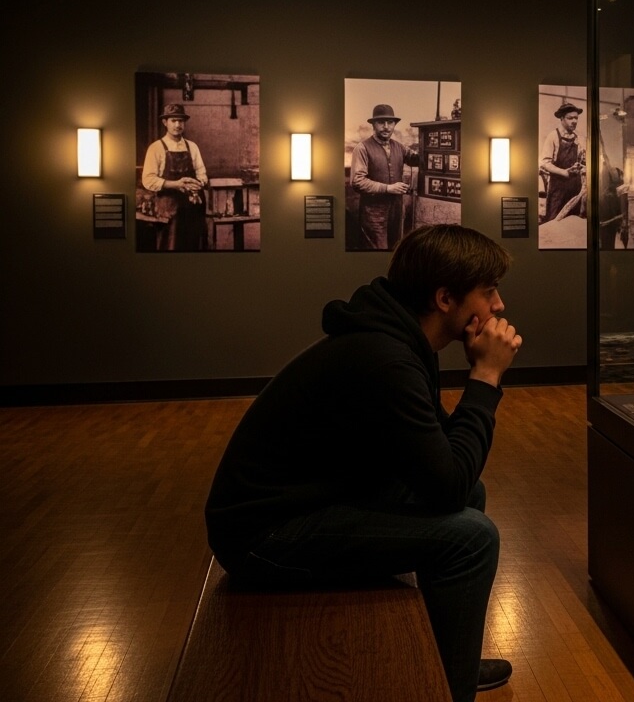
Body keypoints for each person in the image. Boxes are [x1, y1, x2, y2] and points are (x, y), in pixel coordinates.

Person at [204, 224, 522, 702]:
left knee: (472, 499)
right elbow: (446, 486)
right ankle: (450, 690)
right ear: (444, 298)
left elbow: (444, 465)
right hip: (262, 536)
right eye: (489, 291)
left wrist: (480, 382)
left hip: (309, 502)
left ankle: (446, 656)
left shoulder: (400, 341)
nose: (498, 306)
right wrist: (486, 378)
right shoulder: (385, 357)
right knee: (473, 539)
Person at [141, 103, 209, 251]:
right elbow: (148, 179)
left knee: (194, 248)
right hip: (170, 212)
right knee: (170, 247)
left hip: (193, 209)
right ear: (165, 122)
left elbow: (202, 173)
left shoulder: (192, 146)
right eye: (173, 121)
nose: (178, 125)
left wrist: (197, 185)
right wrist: (177, 184)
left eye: (181, 121)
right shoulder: (156, 148)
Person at [351, 104, 419, 250]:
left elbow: (416, 159)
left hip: (396, 211)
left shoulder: (399, 147)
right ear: (373, 125)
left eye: (390, 122)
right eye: (381, 122)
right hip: (374, 214)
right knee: (378, 250)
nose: (386, 127)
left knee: (396, 249)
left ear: (395, 124)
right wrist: (388, 188)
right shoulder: (362, 148)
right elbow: (357, 181)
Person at [539, 101, 586, 223]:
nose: (574, 121)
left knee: (573, 221)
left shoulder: (578, 138)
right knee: (554, 221)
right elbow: (544, 162)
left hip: (575, 187)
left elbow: (583, 160)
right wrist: (564, 172)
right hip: (558, 188)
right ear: (562, 119)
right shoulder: (553, 136)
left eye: (576, 118)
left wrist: (580, 166)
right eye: (570, 118)